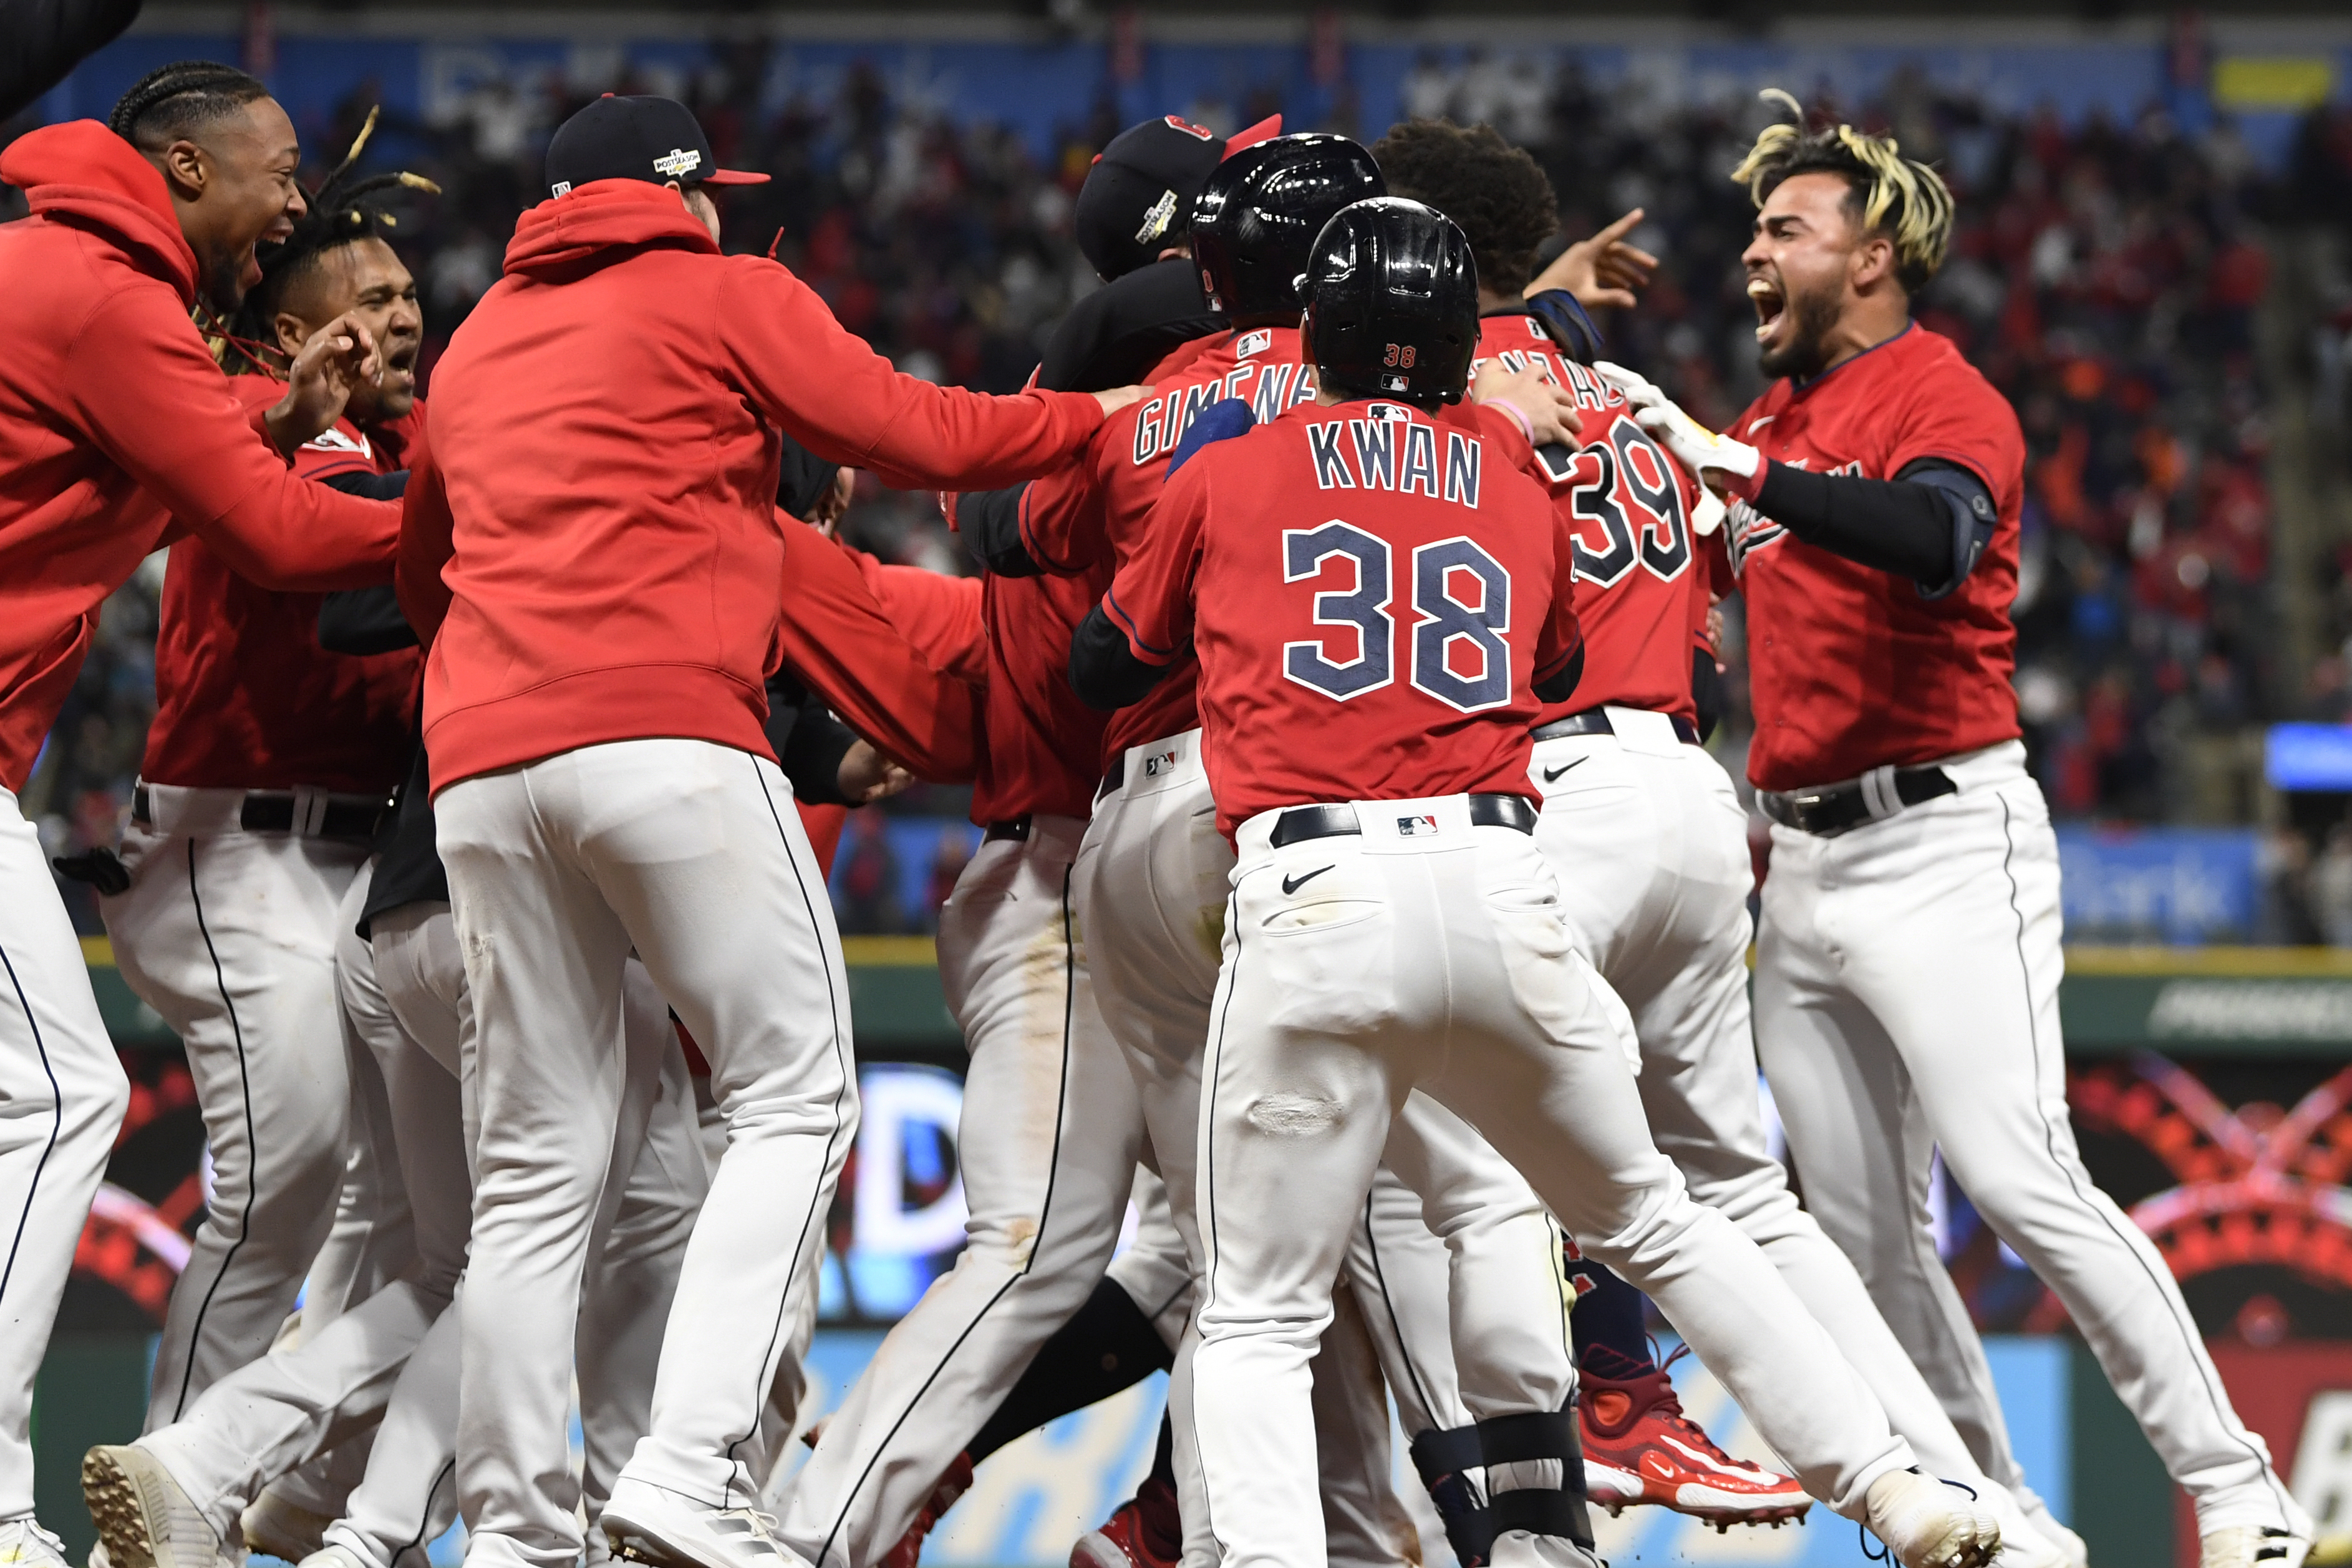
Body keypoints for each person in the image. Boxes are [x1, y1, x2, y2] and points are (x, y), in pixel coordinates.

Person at [1073, 193, 2003, 1568]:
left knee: (1258, 1314)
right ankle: (1894, 1488)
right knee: (1656, 1220)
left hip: (1313, 899)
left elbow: (1104, 664)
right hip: (1498, 885)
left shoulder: (1232, 464)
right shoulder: (1508, 472)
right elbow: (1555, 666)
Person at [393, 94, 1135, 1568]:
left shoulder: (474, 337)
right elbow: (920, 433)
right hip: (664, 730)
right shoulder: (721, 288)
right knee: (792, 1097)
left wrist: (507, 675)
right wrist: (1092, 418)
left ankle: (519, 1537)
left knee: (537, 1173)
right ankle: (686, 1470)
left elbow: (427, 563)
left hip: (479, 758)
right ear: (683, 195)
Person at [1593, 92, 2310, 1568]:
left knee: (2018, 1173)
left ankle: (2236, 1489)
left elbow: (1931, 542)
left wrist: (1741, 474)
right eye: (1749, 228)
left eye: (1783, 227)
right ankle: (2001, 1514)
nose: (1750, 252)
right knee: (1859, 1243)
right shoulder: (1766, 423)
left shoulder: (1942, 395)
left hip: (1940, 837)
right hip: (1788, 860)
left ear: (1871, 259)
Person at [0, 58, 395, 1568]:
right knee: (56, 1099)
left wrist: (275, 408)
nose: (295, 199)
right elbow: (284, 535)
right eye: (277, 168)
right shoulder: (101, 292)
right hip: (213, 837)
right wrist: (505, 503)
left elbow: (183, 415)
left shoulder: (70, 277)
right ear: (180, 171)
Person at [89, 114, 432, 1481]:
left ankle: (294, 1493)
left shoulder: (387, 450)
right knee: (288, 1184)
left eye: (410, 295)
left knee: (393, 1208)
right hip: (236, 855)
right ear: (287, 340)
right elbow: (344, 558)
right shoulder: (256, 425)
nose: (403, 317)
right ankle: (174, 1484)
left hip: (345, 873)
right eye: (368, 302)